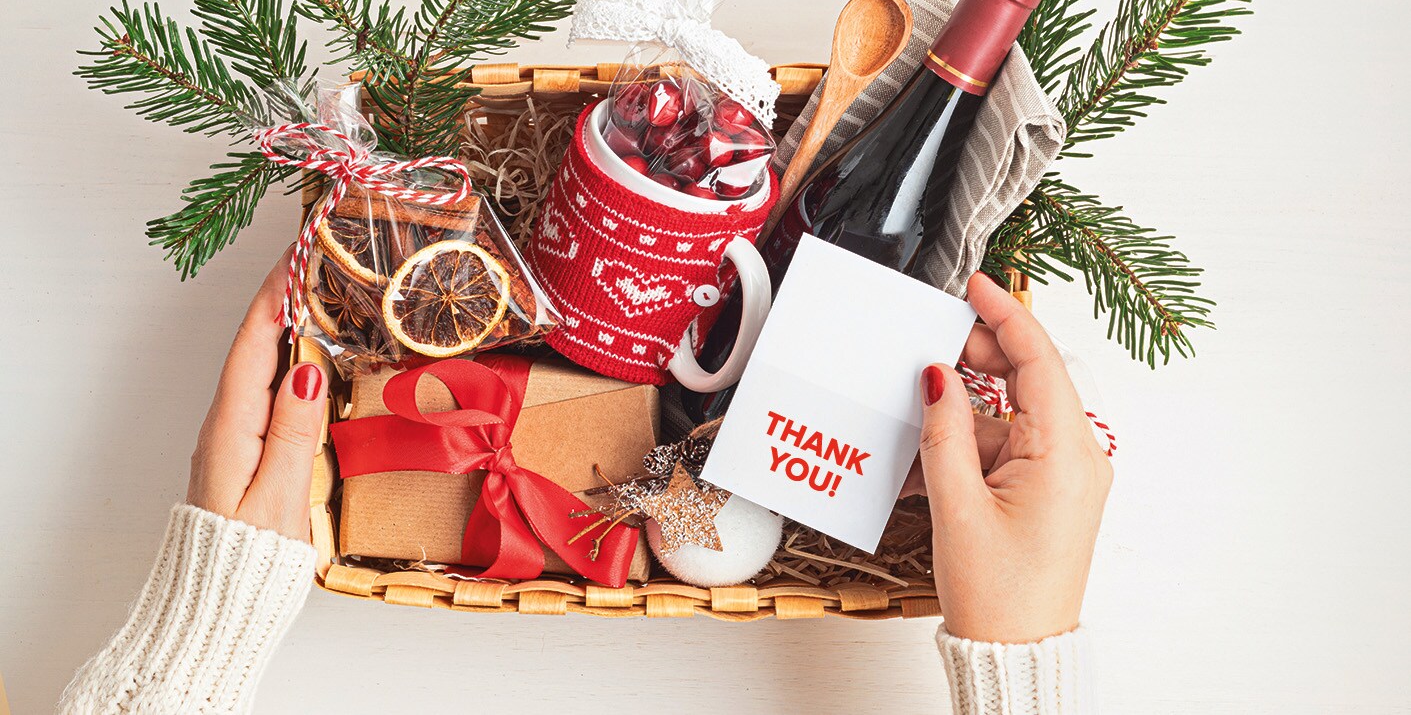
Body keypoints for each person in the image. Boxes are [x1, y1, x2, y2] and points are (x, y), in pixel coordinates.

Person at [60, 253, 1112, 714]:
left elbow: (662, 467)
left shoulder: (668, 485)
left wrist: (193, 636)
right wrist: (1022, 660)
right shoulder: (662, 466)